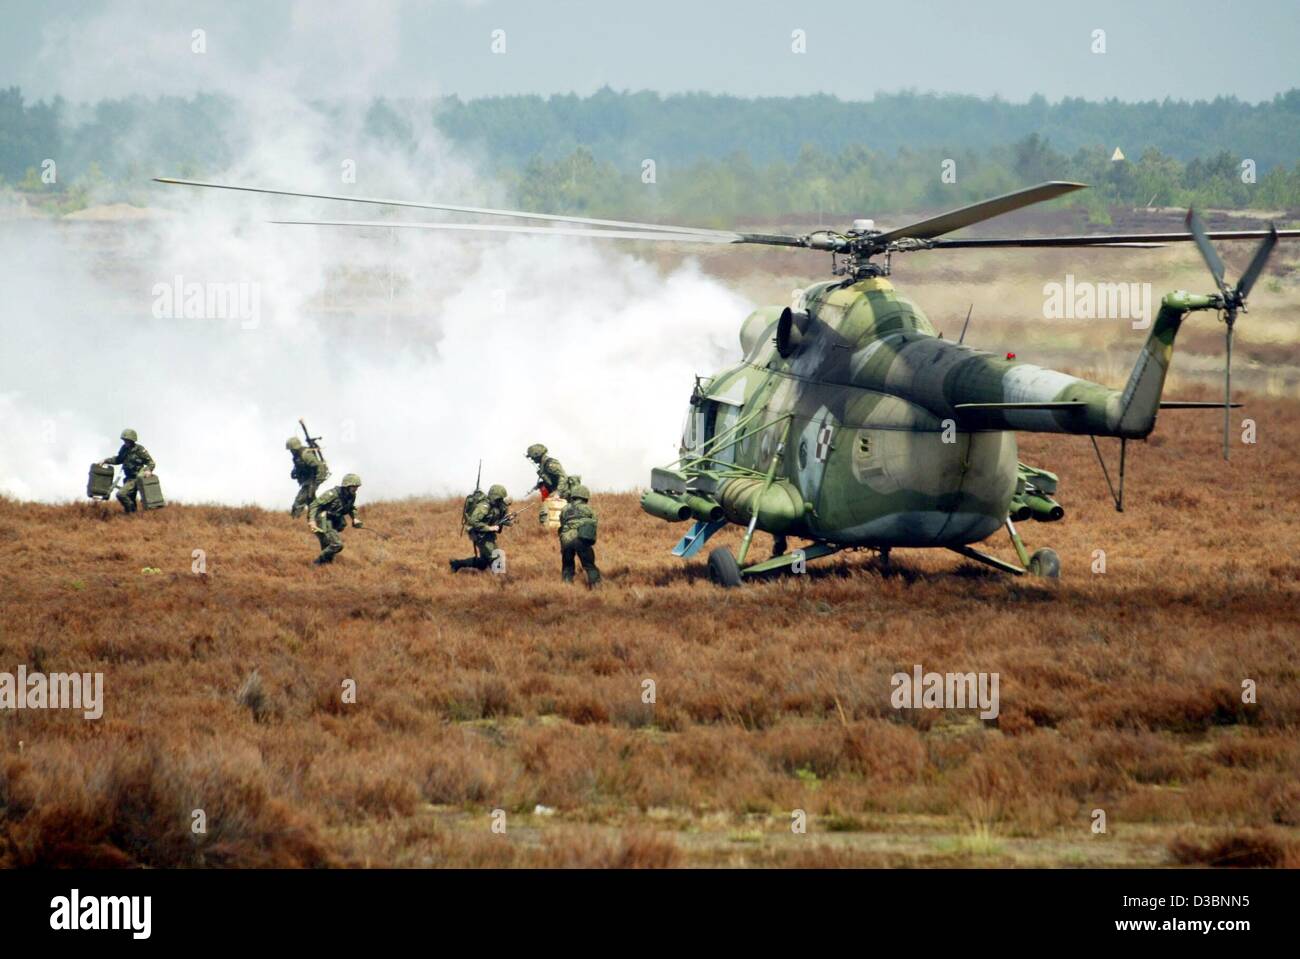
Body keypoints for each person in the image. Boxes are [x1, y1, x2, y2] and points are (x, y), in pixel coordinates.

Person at [450, 484, 511, 572]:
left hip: (487, 534)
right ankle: (500, 581)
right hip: (479, 534)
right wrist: (489, 528)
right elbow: (473, 522)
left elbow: (494, 519)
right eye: (499, 498)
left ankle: (456, 564)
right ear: (494, 497)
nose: (501, 501)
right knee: (496, 556)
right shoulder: (484, 507)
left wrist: (507, 520)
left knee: (483, 563)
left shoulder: (495, 506)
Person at [308, 473, 363, 565]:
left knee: (327, 545)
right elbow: (315, 504)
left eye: (357, 486)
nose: (356, 488)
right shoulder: (332, 494)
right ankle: (317, 562)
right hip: (324, 520)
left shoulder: (351, 495)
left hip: (335, 521)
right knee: (336, 544)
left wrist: (355, 518)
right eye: (354, 486)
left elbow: (351, 508)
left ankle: (324, 567)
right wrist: (312, 521)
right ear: (347, 486)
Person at [99, 428, 155, 514]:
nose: (125, 442)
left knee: (121, 494)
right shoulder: (124, 449)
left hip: (137, 479)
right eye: (124, 440)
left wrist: (148, 470)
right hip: (128, 479)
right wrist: (105, 460)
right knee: (130, 498)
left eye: (127, 440)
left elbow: (151, 463)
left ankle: (132, 511)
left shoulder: (140, 449)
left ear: (132, 440)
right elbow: (118, 459)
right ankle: (132, 517)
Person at [558, 484, 601, 585]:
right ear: (585, 496)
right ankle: (596, 588)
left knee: (567, 567)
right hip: (581, 539)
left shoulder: (564, 509)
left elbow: (562, 523)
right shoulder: (588, 509)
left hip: (566, 540)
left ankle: (566, 588)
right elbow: (594, 522)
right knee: (589, 565)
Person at [286, 436, 327, 518]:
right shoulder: (297, 456)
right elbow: (298, 467)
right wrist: (294, 473)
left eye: (291, 449)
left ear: (295, 448)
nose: (290, 451)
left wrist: (317, 482)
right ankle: (320, 519)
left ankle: (293, 521)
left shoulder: (306, 454)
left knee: (299, 500)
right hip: (307, 480)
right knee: (311, 501)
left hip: (312, 480)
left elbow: (319, 466)